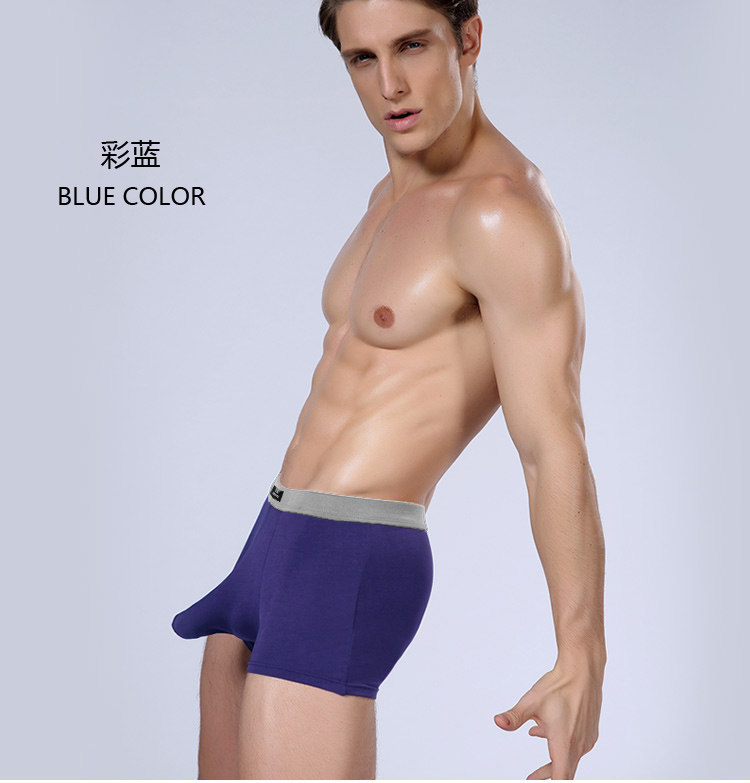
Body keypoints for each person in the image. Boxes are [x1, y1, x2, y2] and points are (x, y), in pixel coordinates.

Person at [171, 0, 606, 778]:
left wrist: (582, 655)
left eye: (412, 46)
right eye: (362, 59)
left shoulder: (501, 212)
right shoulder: (388, 196)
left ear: (468, 38)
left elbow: (551, 444)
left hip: (351, 553)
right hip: (273, 538)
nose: (390, 85)